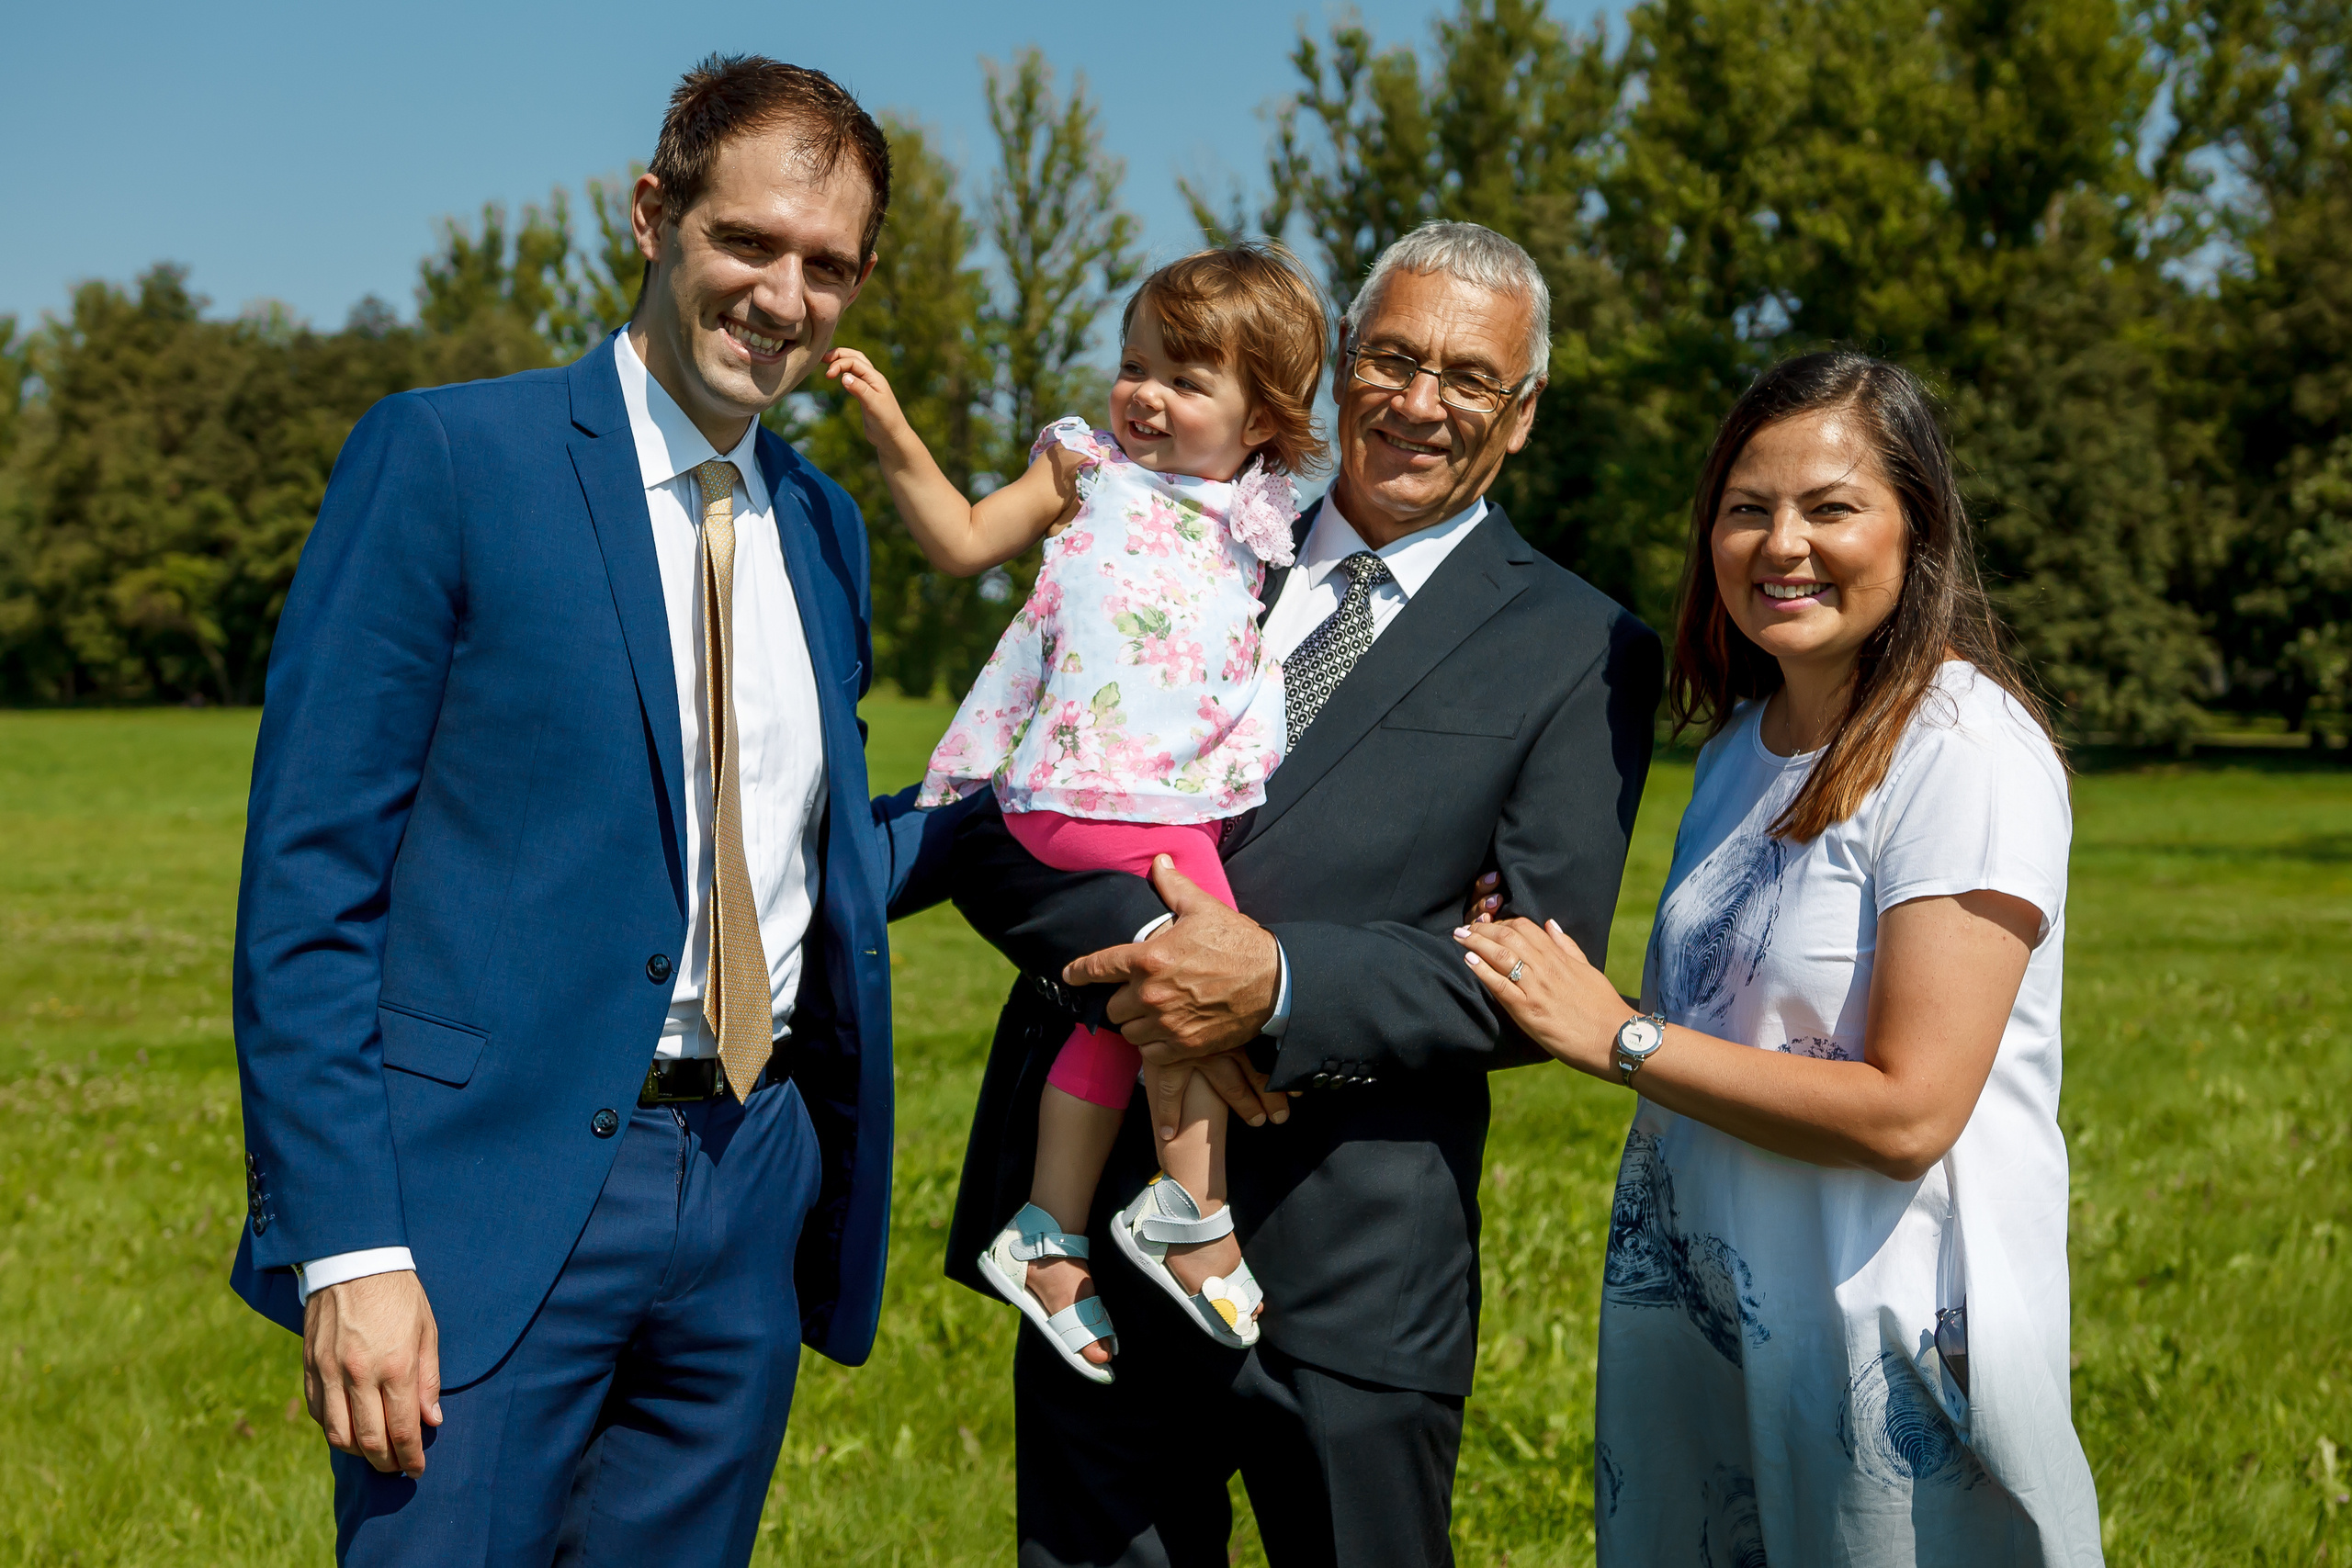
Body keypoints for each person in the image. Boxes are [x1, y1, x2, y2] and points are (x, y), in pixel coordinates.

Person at [230, 55, 1038, 1565]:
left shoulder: (822, 523)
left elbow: (794, 850)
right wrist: (348, 1240)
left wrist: (1048, 810)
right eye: (749, 242)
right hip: (489, 1190)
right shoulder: (452, 459)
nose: (783, 295)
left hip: (751, 1185)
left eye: (829, 267)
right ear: (653, 214)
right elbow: (307, 885)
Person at [934, 221, 1665, 1566]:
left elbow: (1531, 969)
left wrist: (1274, 986)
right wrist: (1162, 973)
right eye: (1390, 357)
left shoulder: (1584, 647)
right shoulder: (1175, 515)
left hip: (1351, 1264)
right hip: (1089, 1232)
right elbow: (996, 804)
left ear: (1523, 409)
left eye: (1466, 376)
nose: (1419, 401)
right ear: (1336, 367)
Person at [1454, 352, 2104, 1564]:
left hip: (1883, 1342)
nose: (1781, 542)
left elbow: (1909, 1111)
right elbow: (1750, 1033)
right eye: (1747, 509)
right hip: (1722, 1324)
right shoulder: (1738, 755)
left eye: (1831, 505)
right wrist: (1558, 979)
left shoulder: (1964, 748)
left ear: (1918, 525)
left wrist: (1621, 1036)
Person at [826, 244, 1326, 1381]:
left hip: (1174, 805)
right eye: (1134, 364)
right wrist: (893, 431)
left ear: (1262, 422)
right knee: (1199, 977)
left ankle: (1050, 1231)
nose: (1143, 394)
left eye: (1186, 381)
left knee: (1127, 1015)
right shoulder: (1086, 469)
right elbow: (958, 541)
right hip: (1077, 789)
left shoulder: (1256, 520)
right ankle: (1190, 1215)